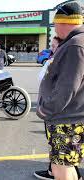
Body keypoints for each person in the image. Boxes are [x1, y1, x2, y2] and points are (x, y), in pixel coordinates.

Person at [36, 2, 84, 180]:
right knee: (66, 166)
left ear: (63, 22)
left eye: (55, 24)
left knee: (60, 169)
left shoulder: (75, 45)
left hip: (66, 119)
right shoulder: (75, 42)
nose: (55, 29)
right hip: (71, 117)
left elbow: (67, 87)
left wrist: (45, 110)